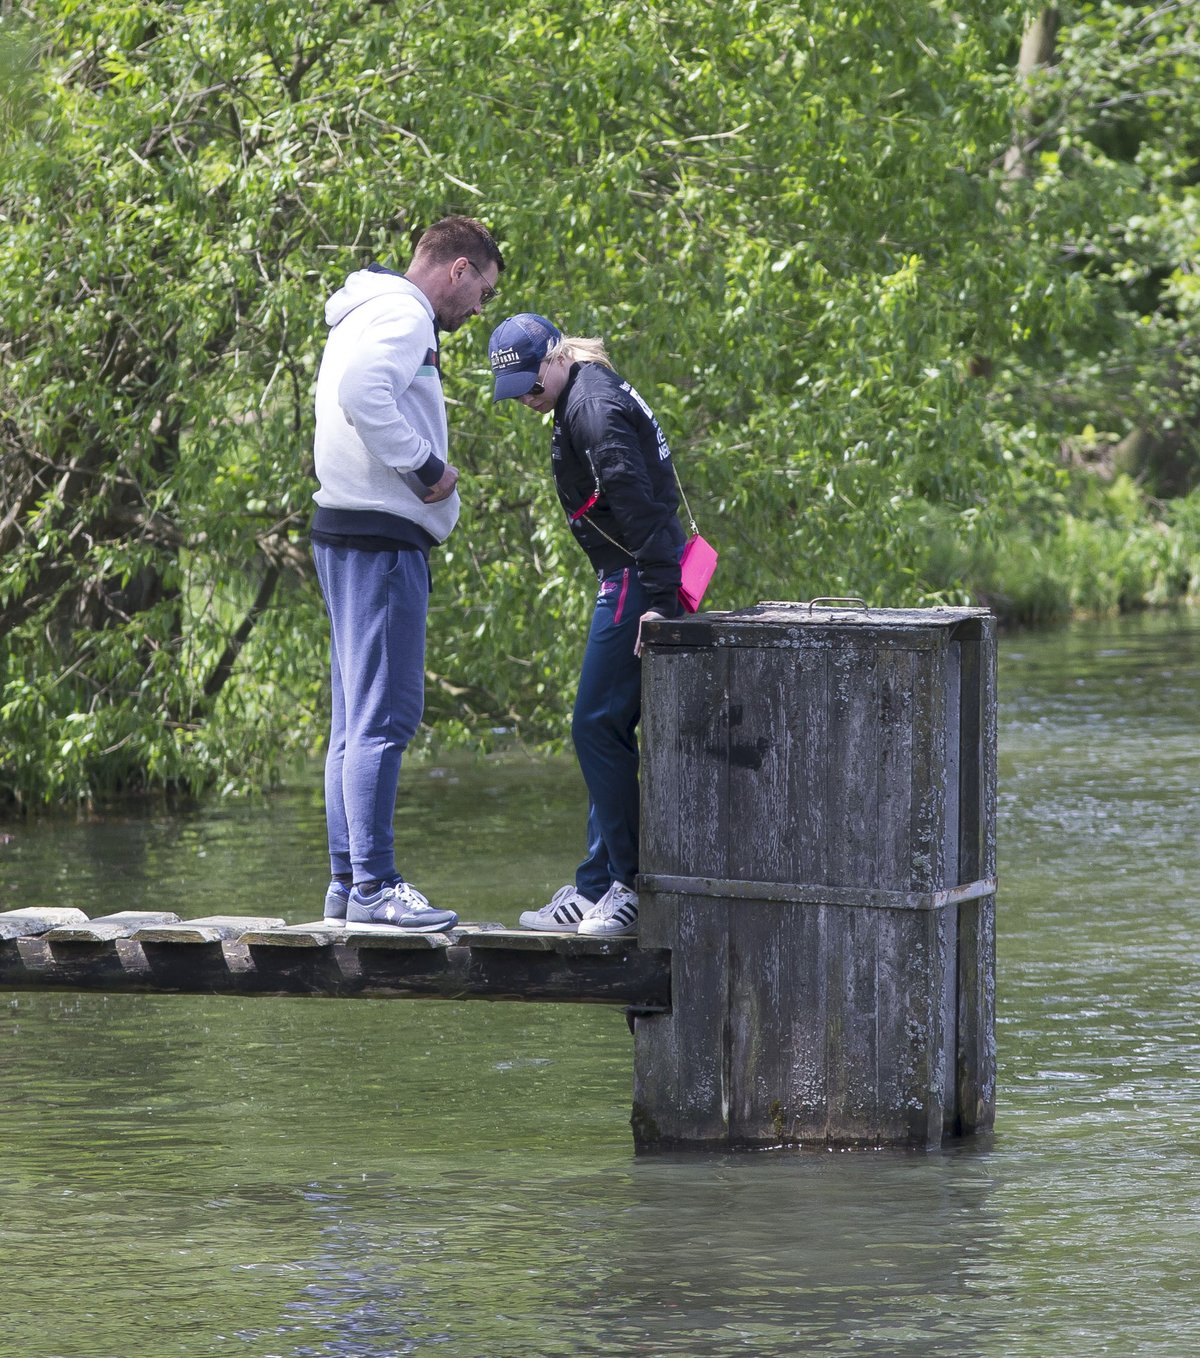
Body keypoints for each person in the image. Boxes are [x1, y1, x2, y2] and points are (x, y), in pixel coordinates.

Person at [311, 215, 504, 930]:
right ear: (457, 269)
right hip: (380, 540)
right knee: (384, 719)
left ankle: (345, 884)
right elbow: (365, 394)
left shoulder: (363, 308)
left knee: (352, 722)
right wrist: (429, 470)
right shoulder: (404, 314)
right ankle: (375, 887)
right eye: (479, 292)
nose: (477, 310)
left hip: (345, 531)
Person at [488, 314, 686, 937]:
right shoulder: (583, 392)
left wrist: (661, 601)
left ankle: (627, 888)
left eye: (528, 382)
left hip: (636, 579)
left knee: (595, 726)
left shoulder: (591, 408)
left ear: (554, 357)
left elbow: (636, 500)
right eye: (513, 389)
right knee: (607, 729)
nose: (524, 397)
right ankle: (595, 884)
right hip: (629, 574)